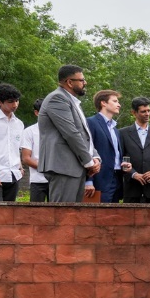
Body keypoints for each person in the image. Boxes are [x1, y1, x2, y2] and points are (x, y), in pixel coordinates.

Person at [37, 65, 101, 203]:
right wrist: (89, 162)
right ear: (70, 82)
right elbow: (71, 133)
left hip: (75, 168)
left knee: (73, 213)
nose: (85, 83)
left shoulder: (72, 101)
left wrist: (95, 157)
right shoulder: (57, 98)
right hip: (63, 167)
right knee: (62, 213)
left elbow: (84, 134)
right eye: (81, 80)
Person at [118, 97, 150, 203]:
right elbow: (119, 159)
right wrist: (133, 174)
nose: (147, 114)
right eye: (143, 111)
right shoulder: (122, 133)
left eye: (149, 111)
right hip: (131, 191)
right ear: (134, 113)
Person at [86, 90, 124, 203]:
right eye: (115, 101)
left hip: (117, 179)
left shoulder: (115, 129)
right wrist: (88, 181)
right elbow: (86, 150)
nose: (119, 104)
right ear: (103, 103)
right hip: (99, 181)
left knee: (114, 214)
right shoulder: (91, 122)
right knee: (98, 214)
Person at [19, 98, 48, 202]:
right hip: (38, 180)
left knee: (58, 210)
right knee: (36, 210)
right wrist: (46, 168)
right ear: (37, 113)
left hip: (56, 180)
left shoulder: (59, 131)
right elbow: (26, 158)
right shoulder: (29, 132)